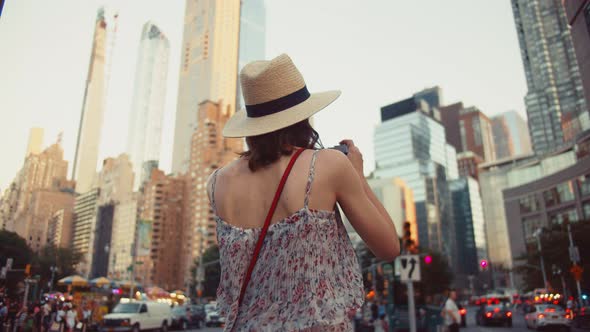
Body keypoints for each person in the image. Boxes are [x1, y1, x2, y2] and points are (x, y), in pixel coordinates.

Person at [208, 53, 400, 331]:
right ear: (302, 117)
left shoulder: (216, 183)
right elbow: (389, 248)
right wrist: (358, 176)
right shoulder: (328, 165)